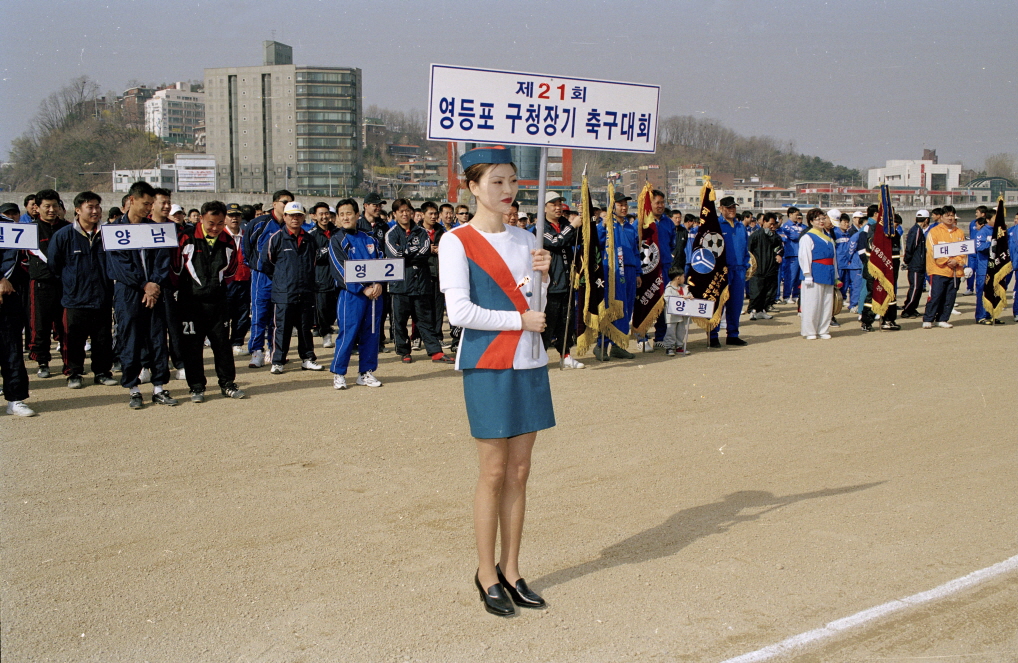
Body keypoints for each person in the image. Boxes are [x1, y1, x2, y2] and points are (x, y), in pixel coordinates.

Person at [437, 146, 553, 618]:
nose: (507, 191)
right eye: (496, 182)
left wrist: (545, 273)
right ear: (472, 187)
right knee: (493, 472)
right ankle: (486, 573)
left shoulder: (528, 239)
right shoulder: (456, 241)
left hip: (530, 361)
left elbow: (536, 306)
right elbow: (459, 312)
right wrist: (519, 321)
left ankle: (512, 568)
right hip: (487, 362)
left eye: (512, 181)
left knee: (521, 472)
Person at [106, 181, 178, 408]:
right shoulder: (114, 230)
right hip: (128, 292)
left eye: (151, 204)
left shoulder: (155, 228)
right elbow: (119, 265)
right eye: (145, 203)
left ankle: (159, 387)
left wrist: (154, 284)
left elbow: (163, 259)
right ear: (131, 200)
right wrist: (143, 284)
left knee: (158, 339)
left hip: (155, 292)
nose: (149, 208)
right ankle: (133, 388)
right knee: (130, 339)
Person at [174, 201, 245, 402]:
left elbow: (230, 271)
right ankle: (196, 387)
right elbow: (176, 269)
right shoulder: (186, 238)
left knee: (222, 344)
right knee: (192, 346)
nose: (215, 228)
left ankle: (227, 384)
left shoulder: (228, 242)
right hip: (191, 303)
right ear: (201, 218)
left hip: (218, 302)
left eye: (220, 223)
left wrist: (215, 287)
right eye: (211, 223)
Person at [47, 191, 118, 389]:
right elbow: (54, 265)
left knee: (102, 338)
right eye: (90, 207)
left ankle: (103, 372)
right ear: (78, 210)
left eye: (97, 207)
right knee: (74, 339)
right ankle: (74, 373)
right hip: (74, 298)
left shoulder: (108, 233)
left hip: (102, 296)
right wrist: (72, 283)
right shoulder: (64, 235)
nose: (95, 211)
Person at [385, 198, 452, 364]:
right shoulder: (391, 234)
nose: (405, 214)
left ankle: (435, 351)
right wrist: (412, 252)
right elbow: (396, 254)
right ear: (395, 214)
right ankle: (404, 351)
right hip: (399, 284)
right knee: (399, 321)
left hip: (421, 283)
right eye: (401, 211)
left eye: (407, 210)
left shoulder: (421, 232)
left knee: (425, 320)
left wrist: (408, 251)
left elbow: (424, 252)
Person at [260, 202, 324, 373]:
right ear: (285, 217)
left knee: (305, 328)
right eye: (291, 215)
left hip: (306, 291)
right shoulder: (276, 238)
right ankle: (278, 361)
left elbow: (315, 261)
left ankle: (308, 358)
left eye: (298, 215)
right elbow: (267, 263)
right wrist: (282, 279)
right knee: (282, 328)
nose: (295, 218)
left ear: (303, 217)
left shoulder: (310, 239)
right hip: (283, 293)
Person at [327, 198, 384, 390]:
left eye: (349, 213)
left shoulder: (370, 238)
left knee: (371, 333)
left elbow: (382, 263)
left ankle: (365, 372)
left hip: (374, 295)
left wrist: (378, 283)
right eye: (341, 214)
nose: (345, 217)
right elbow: (340, 269)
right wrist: (363, 288)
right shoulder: (337, 239)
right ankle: (339, 373)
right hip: (351, 295)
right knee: (348, 333)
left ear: (357, 215)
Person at [244, 190, 294, 368]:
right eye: (283, 202)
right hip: (262, 276)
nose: (286, 205)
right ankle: (256, 351)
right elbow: (246, 247)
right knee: (260, 313)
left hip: (283, 278)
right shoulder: (259, 224)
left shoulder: (292, 226)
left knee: (278, 316)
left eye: (290, 202)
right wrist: (256, 265)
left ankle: (274, 351)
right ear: (274, 204)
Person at [27, 189, 70, 379]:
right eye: (47, 206)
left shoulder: (69, 229)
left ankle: (69, 364)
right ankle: (43, 362)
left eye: (55, 205)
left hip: (65, 285)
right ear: (37, 208)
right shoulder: (29, 230)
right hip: (40, 284)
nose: (52, 210)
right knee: (40, 326)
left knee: (66, 326)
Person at [541, 190, 584, 368]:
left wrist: (583, 219)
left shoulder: (565, 223)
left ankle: (565, 354)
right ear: (544, 207)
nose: (558, 208)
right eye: (553, 204)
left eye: (560, 204)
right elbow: (555, 242)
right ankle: (540, 356)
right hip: (550, 283)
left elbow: (579, 238)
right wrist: (573, 226)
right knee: (548, 322)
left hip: (567, 280)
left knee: (566, 321)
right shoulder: (541, 227)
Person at [151, 187, 187, 380]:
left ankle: (180, 364)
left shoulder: (177, 230)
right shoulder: (143, 228)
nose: (166, 206)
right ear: (152, 204)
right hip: (149, 287)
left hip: (172, 286)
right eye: (162, 203)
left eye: (168, 202)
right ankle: (150, 365)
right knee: (151, 329)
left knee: (175, 327)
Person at [710, 196, 750, 348]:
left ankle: (733, 334)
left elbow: (745, 248)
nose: (732, 210)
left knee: (736, 304)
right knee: (718, 303)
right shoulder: (716, 226)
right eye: (728, 207)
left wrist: (745, 265)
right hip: (722, 270)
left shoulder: (741, 227)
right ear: (721, 209)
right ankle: (713, 334)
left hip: (739, 270)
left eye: (733, 207)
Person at [1, 243, 35, 416]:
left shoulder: (7, 227)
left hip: (8, 296)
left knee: (11, 349)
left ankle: (15, 399)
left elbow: (12, 260)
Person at [922, 205, 968, 329]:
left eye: (952, 215)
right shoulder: (934, 232)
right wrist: (947, 261)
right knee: (936, 295)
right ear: (941, 217)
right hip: (938, 270)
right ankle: (928, 318)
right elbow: (932, 250)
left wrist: (957, 261)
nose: (950, 218)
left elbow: (964, 251)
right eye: (947, 215)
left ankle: (942, 319)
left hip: (955, 271)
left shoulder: (959, 232)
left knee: (950, 297)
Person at [798, 209, 838, 340]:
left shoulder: (829, 238)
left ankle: (823, 329)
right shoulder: (807, 237)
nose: (821, 221)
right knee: (812, 303)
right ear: (810, 222)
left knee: (826, 303)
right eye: (817, 219)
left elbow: (834, 259)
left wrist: (836, 275)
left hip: (828, 272)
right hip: (814, 272)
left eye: (823, 218)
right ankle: (810, 331)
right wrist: (807, 274)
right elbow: (804, 256)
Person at [308, 202, 339, 347]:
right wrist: (327, 251)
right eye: (321, 214)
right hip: (321, 277)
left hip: (338, 276)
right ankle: (325, 333)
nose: (325, 217)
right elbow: (312, 256)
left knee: (336, 308)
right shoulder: (311, 235)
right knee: (322, 308)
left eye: (327, 213)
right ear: (314, 216)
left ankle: (332, 329)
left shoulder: (338, 232)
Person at [223, 204, 251, 353]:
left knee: (242, 313)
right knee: (224, 313)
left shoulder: (246, 235)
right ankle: (222, 342)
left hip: (244, 279)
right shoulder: (220, 235)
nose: (234, 219)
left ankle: (237, 342)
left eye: (237, 216)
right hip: (226, 281)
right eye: (231, 216)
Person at [747, 212, 783, 319]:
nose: (772, 226)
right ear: (764, 222)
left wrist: (779, 254)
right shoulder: (755, 236)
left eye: (774, 224)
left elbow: (780, 249)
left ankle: (762, 310)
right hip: (758, 269)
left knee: (768, 291)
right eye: (770, 224)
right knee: (757, 291)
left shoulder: (776, 237)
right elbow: (748, 251)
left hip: (771, 268)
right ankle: (753, 310)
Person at [901, 210, 931, 318]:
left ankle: (912, 308)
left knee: (917, 288)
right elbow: (911, 247)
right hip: (916, 264)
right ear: (927, 219)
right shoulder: (916, 231)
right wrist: (907, 261)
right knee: (915, 288)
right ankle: (907, 310)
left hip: (919, 264)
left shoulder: (917, 230)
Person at [778, 207, 805, 303]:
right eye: (795, 214)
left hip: (801, 254)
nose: (797, 216)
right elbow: (793, 236)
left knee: (799, 277)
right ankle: (786, 296)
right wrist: (800, 235)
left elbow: (807, 234)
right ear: (790, 215)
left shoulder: (802, 226)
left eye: (798, 214)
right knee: (791, 276)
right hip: (792, 254)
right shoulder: (786, 226)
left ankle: (795, 295)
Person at [661, 274, 693, 356]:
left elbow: (690, 295)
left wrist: (690, 297)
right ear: (678, 278)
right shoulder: (669, 289)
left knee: (681, 331)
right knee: (670, 331)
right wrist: (682, 297)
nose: (684, 278)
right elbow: (668, 299)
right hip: (672, 315)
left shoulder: (685, 288)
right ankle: (669, 347)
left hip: (682, 314)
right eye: (683, 277)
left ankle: (679, 346)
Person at [971, 213, 994, 323]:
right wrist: (992, 244)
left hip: (995, 267)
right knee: (982, 292)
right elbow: (979, 247)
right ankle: (981, 316)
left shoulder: (1000, 231)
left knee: (994, 293)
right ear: (988, 219)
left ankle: (991, 315)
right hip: (984, 267)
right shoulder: (983, 232)